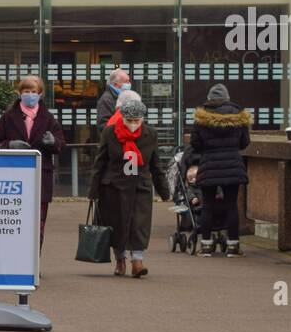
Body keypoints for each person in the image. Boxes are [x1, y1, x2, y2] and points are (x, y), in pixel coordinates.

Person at [89, 91, 170, 278]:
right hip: (114, 186)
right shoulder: (110, 133)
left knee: (139, 224)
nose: (133, 124)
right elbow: (100, 162)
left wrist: (164, 191)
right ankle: (120, 260)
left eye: (137, 120)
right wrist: (94, 190)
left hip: (140, 186)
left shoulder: (150, 135)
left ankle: (138, 261)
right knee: (117, 224)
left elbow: (156, 164)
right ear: (122, 117)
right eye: (129, 120)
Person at [0, 74, 66, 247]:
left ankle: (34, 264)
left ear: (40, 94)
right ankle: (15, 264)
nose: (30, 94)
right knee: (14, 222)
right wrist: (10, 145)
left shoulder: (48, 118)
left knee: (38, 224)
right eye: (26, 91)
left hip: (41, 177)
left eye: (33, 91)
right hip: (14, 177)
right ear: (19, 93)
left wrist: (53, 142)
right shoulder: (8, 117)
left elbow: (61, 144)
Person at [190, 82, 251, 257]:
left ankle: (207, 245)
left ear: (209, 100)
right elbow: (244, 142)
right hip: (233, 165)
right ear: (227, 99)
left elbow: (195, 143)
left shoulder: (202, 118)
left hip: (209, 165)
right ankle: (233, 245)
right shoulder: (239, 117)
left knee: (208, 205)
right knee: (231, 205)